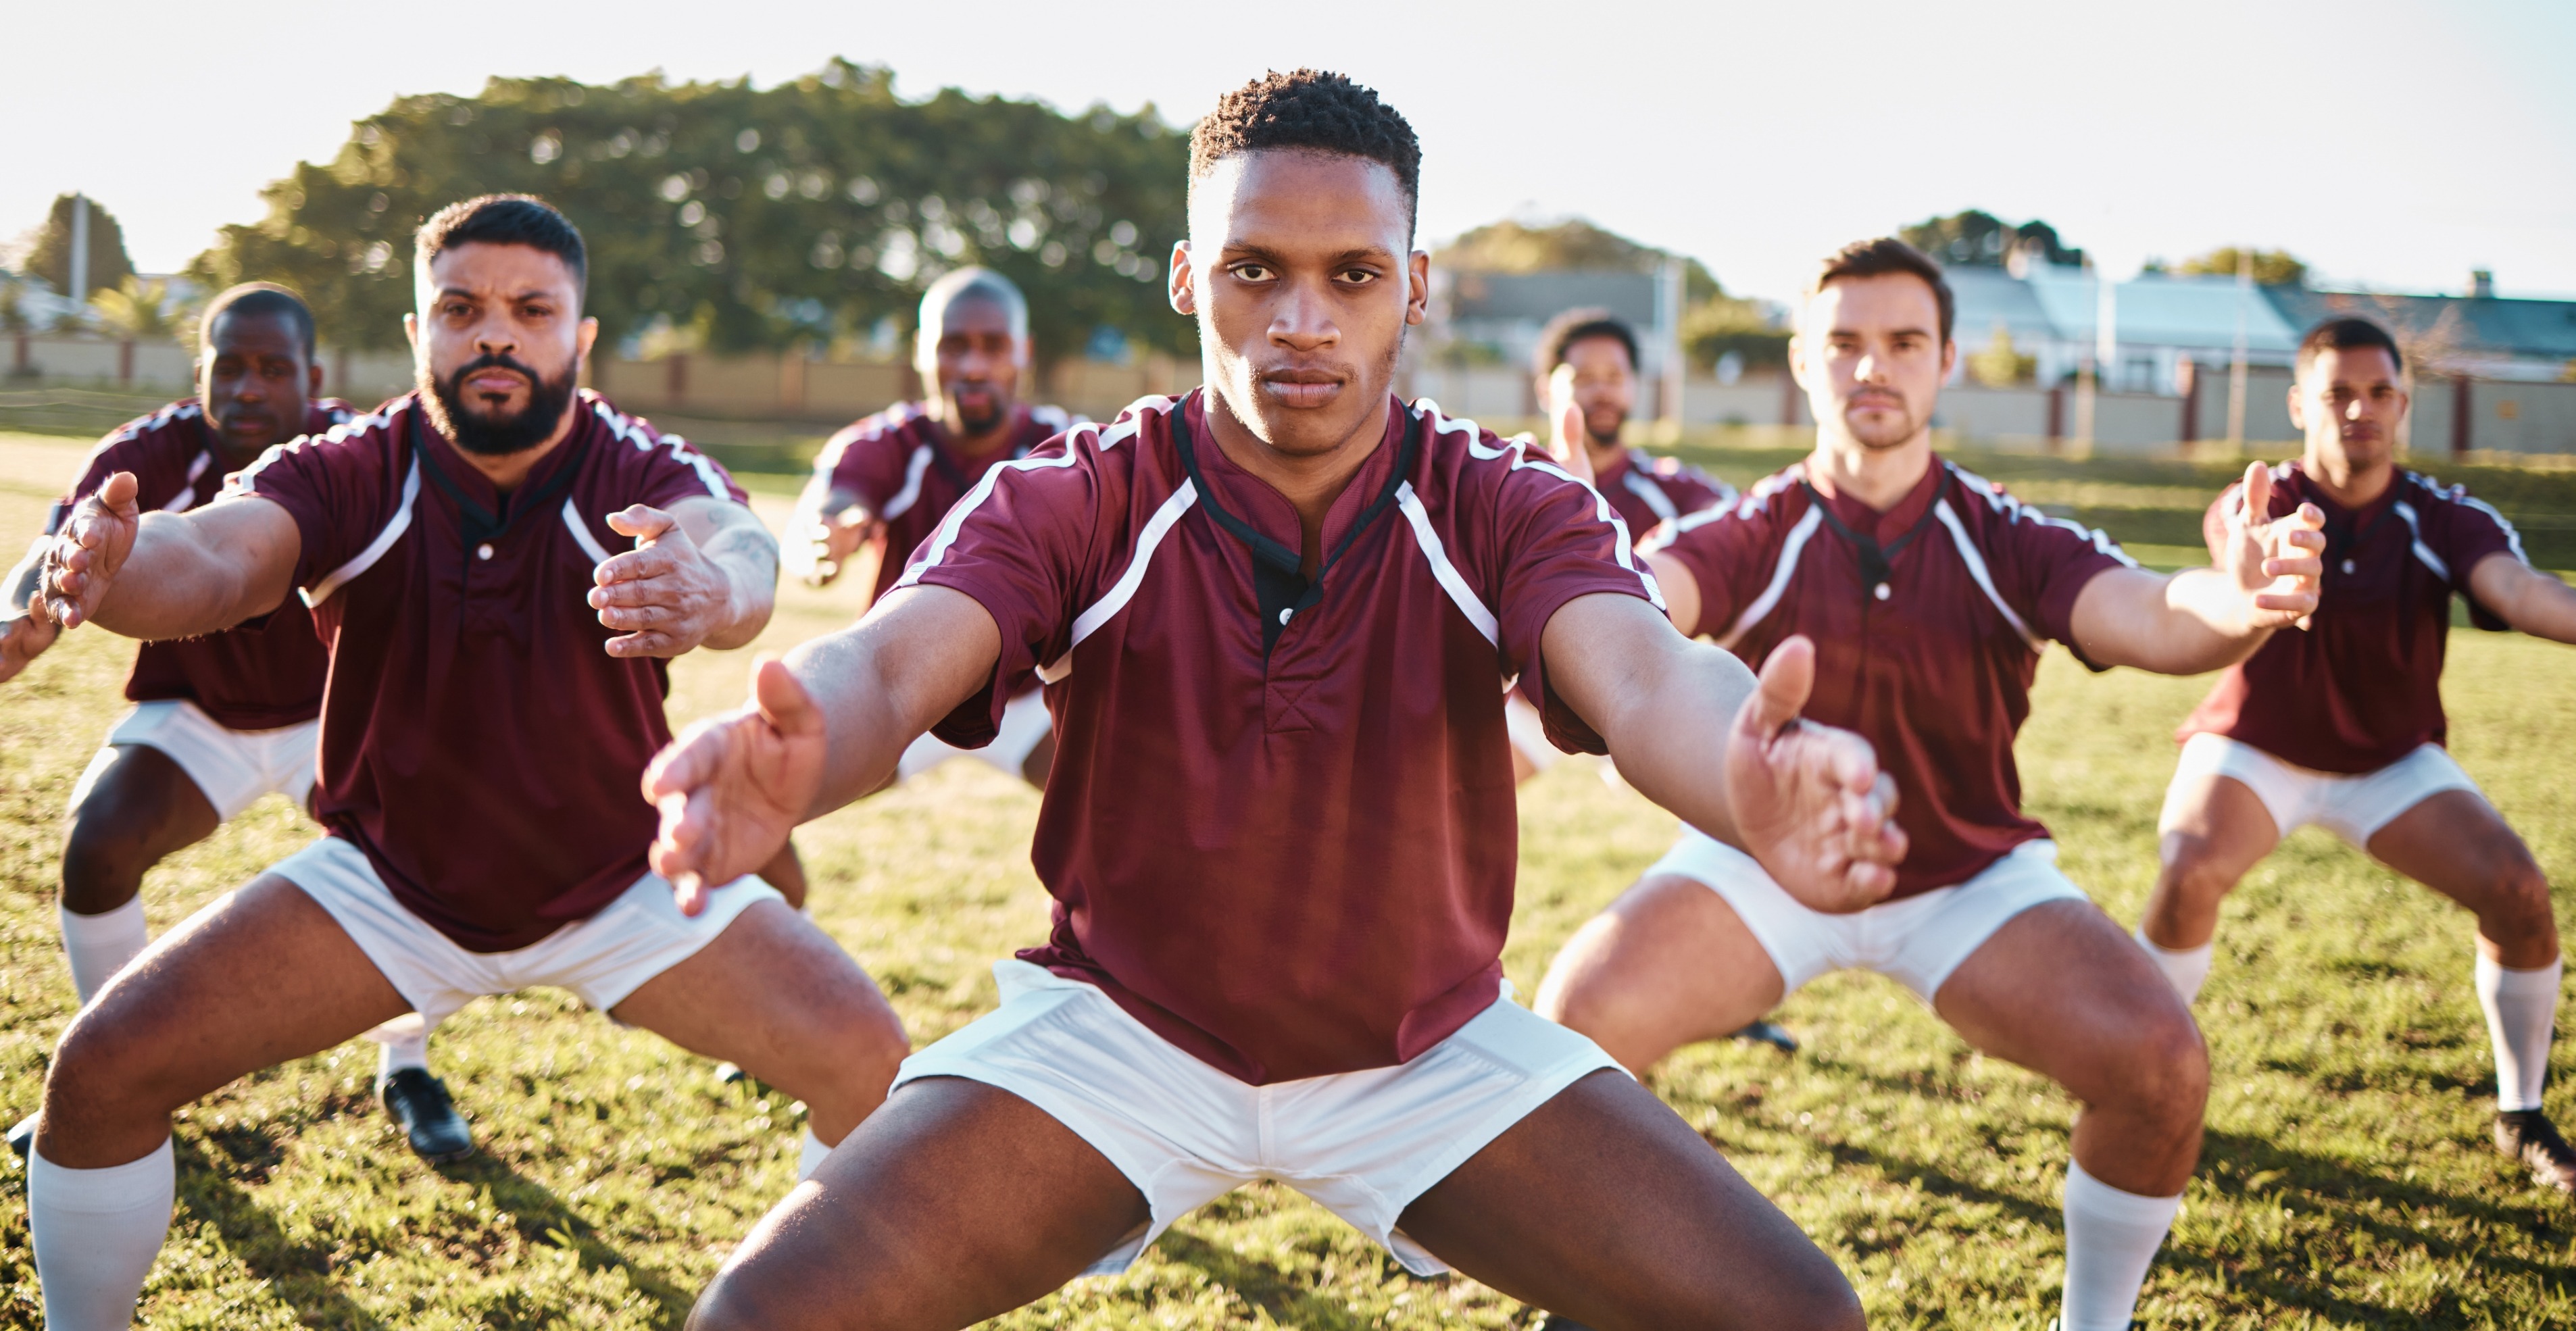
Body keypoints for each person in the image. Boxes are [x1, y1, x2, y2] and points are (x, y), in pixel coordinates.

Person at [656, 70, 1906, 1331]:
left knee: (1797, 1315)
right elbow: (883, 663)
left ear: (1414, 288)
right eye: (1256, 269)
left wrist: (1745, 773)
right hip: (1122, 1038)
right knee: (760, 1320)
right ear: (1189, 277)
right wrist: (799, 747)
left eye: (1353, 275)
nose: (1302, 320)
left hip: (1425, 1052)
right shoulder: (1082, 490)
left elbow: (1643, 677)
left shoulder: (1505, 501)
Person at [18, 195, 910, 1330]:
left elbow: (735, 548)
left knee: (876, 1072)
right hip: (392, 886)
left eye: (532, 310)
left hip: (625, 881)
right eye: (463, 308)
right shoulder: (352, 466)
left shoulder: (634, 464)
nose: (497, 336)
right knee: (98, 1077)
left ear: (580, 340)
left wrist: (712, 587)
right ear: (415, 334)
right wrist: (119, 573)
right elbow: (218, 555)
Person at [1532, 238, 2325, 1331]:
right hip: (1762, 863)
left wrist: (2239, 605)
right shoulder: (1750, 526)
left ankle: (2095, 1323)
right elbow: (1637, 605)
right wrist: (1570, 560)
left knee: (2159, 1064)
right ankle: (1597, 1296)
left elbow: (2150, 613)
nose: (1873, 367)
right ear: (1804, 362)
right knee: (1575, 1025)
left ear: (1945, 359)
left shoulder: (2001, 531)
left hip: (1965, 873)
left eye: (1902, 342)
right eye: (1845, 344)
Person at [0, 283, 481, 1162]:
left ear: (314, 377)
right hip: (201, 712)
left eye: (273, 369)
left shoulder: (357, 449)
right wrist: (15, 615)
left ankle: (407, 1064)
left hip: (335, 714)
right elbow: (58, 547)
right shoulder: (145, 454)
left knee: (419, 864)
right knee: (97, 842)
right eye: (232, 367)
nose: (250, 389)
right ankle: (113, 1074)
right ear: (200, 374)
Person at [2136, 316, 2576, 1192]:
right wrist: (2253, 564)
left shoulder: (2443, 515)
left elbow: (2519, 590)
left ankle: (2520, 1110)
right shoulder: (2260, 498)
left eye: (2379, 392)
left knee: (2521, 892)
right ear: (2301, 403)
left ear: (2403, 405)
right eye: (2338, 392)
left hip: (2388, 764)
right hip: (2257, 748)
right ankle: (2138, 1080)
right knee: (2186, 870)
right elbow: (2236, 539)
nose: (2360, 410)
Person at [787, 267, 1075, 791]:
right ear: (922, 352)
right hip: (902, 690)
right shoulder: (885, 443)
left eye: (994, 346)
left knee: (1136, 817)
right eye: (954, 346)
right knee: (774, 787)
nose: (973, 366)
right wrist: (824, 537)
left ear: (1025, 351)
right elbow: (831, 507)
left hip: (1034, 699)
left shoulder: (1068, 446)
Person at [1506, 308, 1737, 786]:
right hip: (1534, 691)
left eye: (1615, 376)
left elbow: (1745, 534)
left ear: (1635, 387)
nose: (1603, 391)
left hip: (1644, 686)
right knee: (1452, 801)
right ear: (1546, 388)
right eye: (1584, 377)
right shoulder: (1506, 480)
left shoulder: (1672, 490)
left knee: (1730, 787)